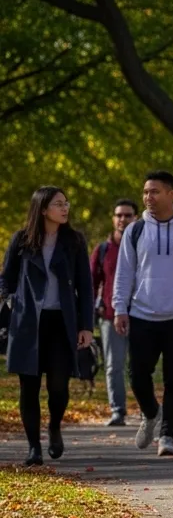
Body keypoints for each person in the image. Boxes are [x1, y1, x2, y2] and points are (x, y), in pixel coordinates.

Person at [111, 171, 173, 457]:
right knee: (137, 375)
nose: (148, 197)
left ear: (171, 194)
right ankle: (151, 413)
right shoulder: (136, 230)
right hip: (142, 313)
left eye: (154, 191)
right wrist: (120, 308)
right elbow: (124, 273)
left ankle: (168, 436)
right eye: (145, 192)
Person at [2, 187, 95, 467]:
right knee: (28, 387)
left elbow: (85, 287)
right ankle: (33, 447)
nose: (65, 208)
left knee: (58, 385)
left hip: (61, 322)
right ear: (43, 209)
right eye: (58, 204)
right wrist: (10, 301)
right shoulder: (22, 240)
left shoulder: (75, 241)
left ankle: (54, 426)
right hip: (28, 321)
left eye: (66, 203)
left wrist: (86, 326)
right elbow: (5, 278)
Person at [91, 199, 138, 427]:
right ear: (113, 219)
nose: (123, 219)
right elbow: (91, 281)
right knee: (113, 365)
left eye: (128, 215)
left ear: (135, 218)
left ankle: (146, 411)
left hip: (142, 315)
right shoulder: (103, 250)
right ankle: (118, 411)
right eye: (119, 215)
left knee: (141, 367)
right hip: (110, 317)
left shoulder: (144, 245)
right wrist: (93, 309)